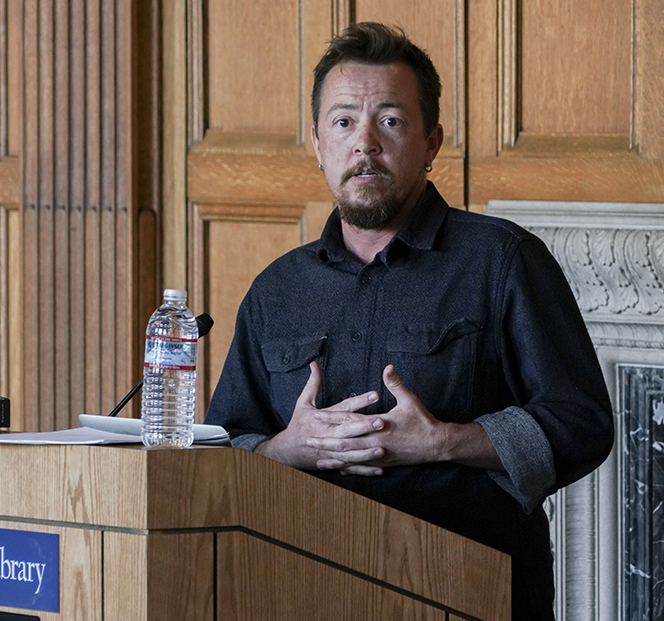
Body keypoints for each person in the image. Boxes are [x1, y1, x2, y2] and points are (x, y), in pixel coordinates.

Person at [205, 22, 613, 620]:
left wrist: (444, 442)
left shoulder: (502, 260)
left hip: (471, 590)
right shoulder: (277, 289)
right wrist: (288, 448)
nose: (364, 142)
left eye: (390, 121)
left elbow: (582, 424)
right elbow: (223, 452)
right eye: (344, 122)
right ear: (318, 143)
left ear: (431, 143)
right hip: (301, 588)